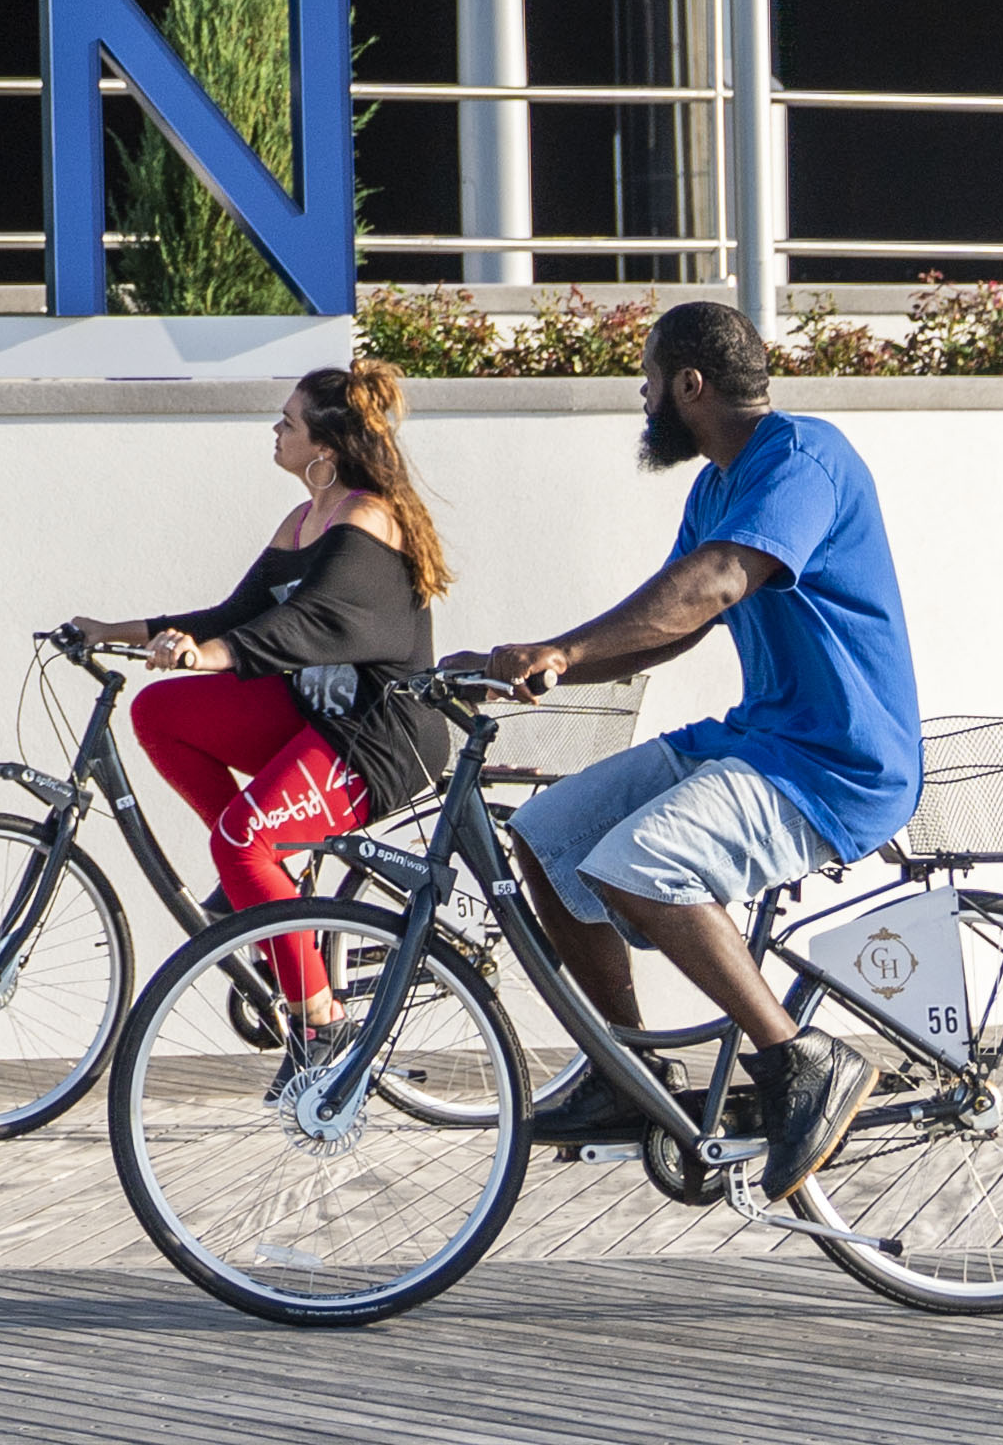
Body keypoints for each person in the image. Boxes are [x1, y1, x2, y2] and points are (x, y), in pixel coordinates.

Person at [445, 297, 926, 1205]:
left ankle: (799, 1061)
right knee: (551, 833)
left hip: (834, 761)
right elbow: (670, 631)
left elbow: (712, 584)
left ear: (690, 385)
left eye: (649, 381)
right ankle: (627, 1079)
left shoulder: (805, 459)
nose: (643, 398)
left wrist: (565, 652)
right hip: (759, 738)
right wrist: (537, 658)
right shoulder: (717, 483)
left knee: (639, 863)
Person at [64, 360, 459, 1019]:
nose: (274, 430)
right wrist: (116, 629)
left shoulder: (370, 521)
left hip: (378, 738)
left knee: (244, 839)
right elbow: (233, 615)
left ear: (324, 449)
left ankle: (319, 1023)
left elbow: (315, 620)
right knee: (161, 711)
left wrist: (215, 656)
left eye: (289, 422)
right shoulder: (302, 521)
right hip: (318, 717)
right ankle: (268, 876)